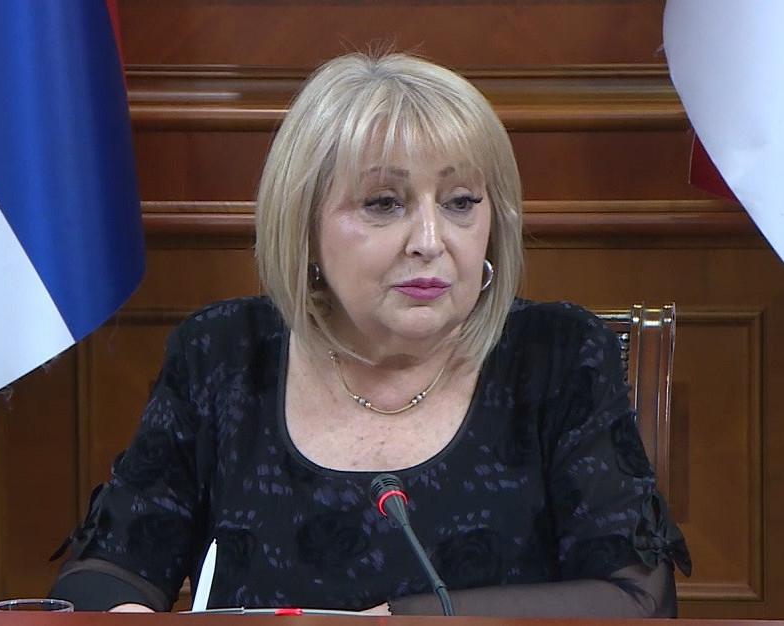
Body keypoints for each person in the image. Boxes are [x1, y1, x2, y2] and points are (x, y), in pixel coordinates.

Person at [48, 51, 691, 616]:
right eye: (384, 203)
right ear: (304, 228)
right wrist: (127, 613)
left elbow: (635, 600)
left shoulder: (557, 356)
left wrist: (397, 621)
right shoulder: (223, 354)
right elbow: (105, 572)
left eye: (461, 202)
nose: (431, 241)